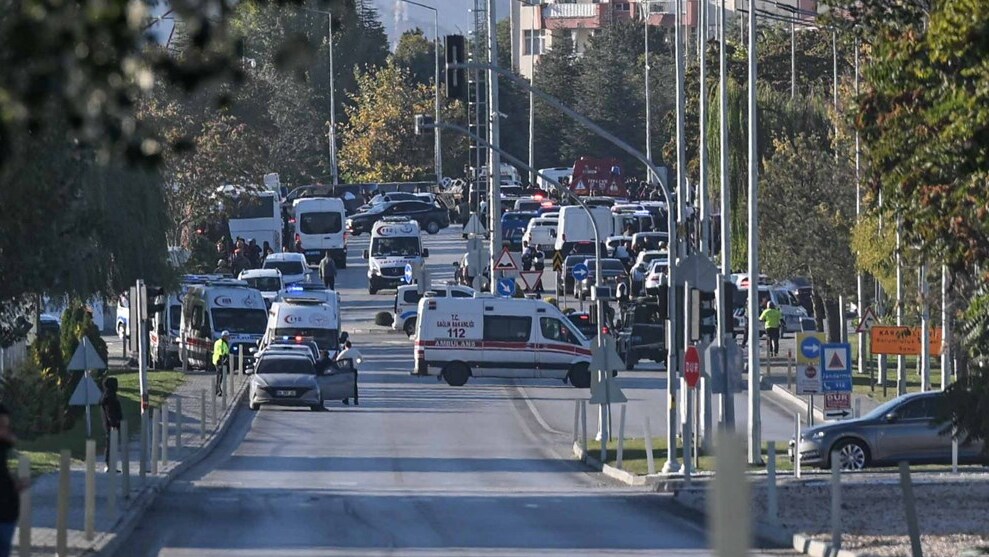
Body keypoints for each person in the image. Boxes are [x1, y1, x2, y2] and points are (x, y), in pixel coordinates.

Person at [0, 404, 26, 556]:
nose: (5, 429)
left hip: (7, 513)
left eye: (6, 425)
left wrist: (15, 485)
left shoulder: (3, 448)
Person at [100, 377, 122, 472]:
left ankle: (111, 465)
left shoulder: (110, 396)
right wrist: (114, 423)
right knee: (110, 444)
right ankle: (109, 465)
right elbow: (109, 412)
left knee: (112, 444)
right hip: (111, 425)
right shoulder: (109, 398)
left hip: (113, 424)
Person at [336, 340, 363, 406]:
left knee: (346, 384)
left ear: (345, 346)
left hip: (347, 370)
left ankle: (346, 399)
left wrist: (342, 364)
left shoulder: (344, 352)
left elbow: (337, 359)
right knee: (354, 385)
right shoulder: (355, 351)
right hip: (354, 370)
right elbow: (361, 359)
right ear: (351, 345)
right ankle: (356, 400)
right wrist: (357, 363)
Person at [212, 331, 231, 397]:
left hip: (218, 360)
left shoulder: (221, 342)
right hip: (219, 361)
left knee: (220, 376)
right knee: (220, 376)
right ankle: (218, 391)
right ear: (224, 337)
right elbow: (221, 353)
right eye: (227, 336)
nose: (228, 338)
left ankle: (217, 390)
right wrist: (222, 361)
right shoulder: (221, 343)